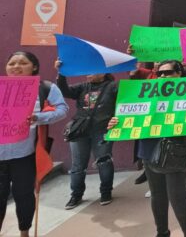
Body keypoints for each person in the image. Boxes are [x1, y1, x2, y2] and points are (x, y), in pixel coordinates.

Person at [108, 60, 186, 237]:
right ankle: (162, 232)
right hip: (149, 148)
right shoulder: (147, 91)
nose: (163, 76)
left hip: (175, 150)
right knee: (157, 195)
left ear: (179, 73)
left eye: (168, 72)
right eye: (160, 73)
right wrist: (116, 123)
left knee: (177, 196)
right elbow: (128, 112)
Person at [1, 52, 69, 237]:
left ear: (34, 67)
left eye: (23, 63)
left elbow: (63, 109)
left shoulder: (45, 88)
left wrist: (39, 117)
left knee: (24, 197)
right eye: (12, 63)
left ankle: (25, 232)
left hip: (25, 155)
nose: (16, 66)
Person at [54, 59, 118, 209]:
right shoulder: (83, 87)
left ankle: (106, 192)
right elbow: (65, 91)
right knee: (77, 165)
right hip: (80, 132)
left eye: (92, 70)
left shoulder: (113, 87)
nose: (88, 73)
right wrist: (61, 73)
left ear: (103, 73)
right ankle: (76, 195)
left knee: (104, 162)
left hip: (102, 131)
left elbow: (126, 98)